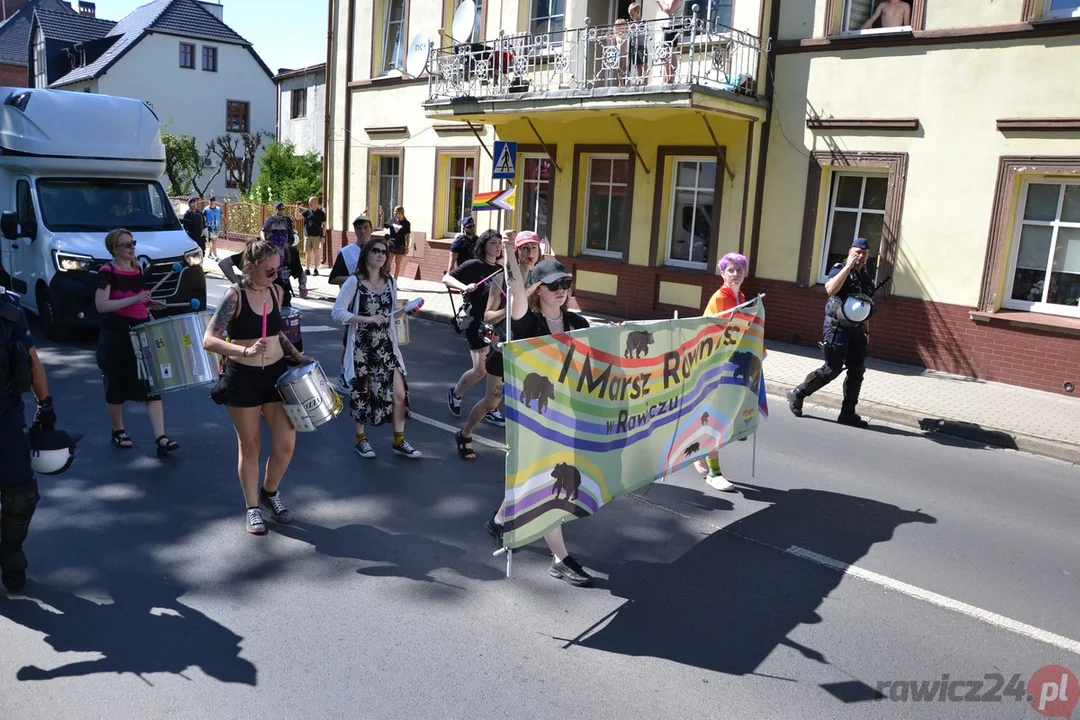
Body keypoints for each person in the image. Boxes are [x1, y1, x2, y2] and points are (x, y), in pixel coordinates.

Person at [486, 246, 594, 587]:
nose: (561, 290)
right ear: (538, 290)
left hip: (567, 414)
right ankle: (561, 558)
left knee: (538, 476)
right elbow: (516, 291)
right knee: (551, 482)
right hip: (534, 415)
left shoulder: (577, 322)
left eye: (565, 283)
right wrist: (509, 250)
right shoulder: (527, 321)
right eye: (552, 285)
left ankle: (501, 519)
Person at [203, 239, 313, 535]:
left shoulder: (277, 292)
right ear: (249, 268)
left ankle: (270, 492)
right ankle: (253, 508)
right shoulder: (234, 296)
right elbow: (209, 339)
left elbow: (278, 334)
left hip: (276, 377)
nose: (275, 276)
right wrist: (243, 352)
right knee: (250, 445)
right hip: (243, 378)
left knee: (286, 443)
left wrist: (296, 354)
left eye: (278, 270)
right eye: (269, 271)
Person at [331, 238, 421, 460]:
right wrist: (366, 319)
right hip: (361, 348)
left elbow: (391, 315)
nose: (381, 255)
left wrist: (405, 312)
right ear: (366, 255)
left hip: (386, 346)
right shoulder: (354, 282)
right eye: (376, 251)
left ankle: (399, 441)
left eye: (384, 252)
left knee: (400, 393)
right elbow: (337, 312)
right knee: (362, 394)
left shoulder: (390, 281)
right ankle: (361, 440)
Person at [454, 231, 542, 460]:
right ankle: (465, 434)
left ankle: (530, 452)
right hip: (504, 348)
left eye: (534, 248)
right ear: (516, 252)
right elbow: (488, 316)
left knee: (532, 401)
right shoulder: (501, 279)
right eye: (525, 248)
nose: (530, 253)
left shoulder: (543, 279)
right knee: (492, 401)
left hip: (532, 350)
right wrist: (510, 308)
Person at [94, 228, 178, 455]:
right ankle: (118, 430)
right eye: (126, 245)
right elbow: (102, 305)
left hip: (141, 332)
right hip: (116, 335)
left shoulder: (137, 269)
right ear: (114, 249)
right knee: (115, 385)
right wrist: (135, 299)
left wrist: (152, 303)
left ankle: (161, 437)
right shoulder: (106, 272)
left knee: (152, 384)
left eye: (133, 243)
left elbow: (141, 299)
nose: (132, 248)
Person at [0, 287, 56, 591]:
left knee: (21, 495)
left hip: (6, 415)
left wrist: (45, 404)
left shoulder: (6, 306)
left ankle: (10, 552)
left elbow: (31, 358)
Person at [787, 238, 875, 428]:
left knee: (857, 369)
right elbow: (830, 289)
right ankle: (798, 393)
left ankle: (848, 412)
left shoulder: (866, 277)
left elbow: (865, 306)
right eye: (857, 252)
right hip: (838, 327)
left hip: (857, 329)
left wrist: (867, 331)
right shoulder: (839, 268)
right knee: (832, 368)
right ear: (850, 251)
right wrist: (848, 267)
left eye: (864, 253)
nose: (860, 255)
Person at [695, 253, 750, 493]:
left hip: (734, 365)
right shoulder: (719, 298)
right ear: (722, 273)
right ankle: (714, 473)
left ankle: (698, 452)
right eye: (730, 269)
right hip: (715, 365)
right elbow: (709, 330)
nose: (735, 273)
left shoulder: (743, 297)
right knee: (715, 418)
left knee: (724, 417)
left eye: (739, 269)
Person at [442, 230, 505, 423]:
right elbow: (447, 278)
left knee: (497, 368)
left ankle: (492, 405)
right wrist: (464, 286)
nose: (498, 246)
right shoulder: (475, 264)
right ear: (484, 245)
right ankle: (456, 392)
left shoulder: (501, 271)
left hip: (495, 324)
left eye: (500, 243)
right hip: (476, 322)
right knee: (480, 370)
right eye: (493, 242)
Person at [329, 215, 372, 287]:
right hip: (351, 295)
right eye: (359, 228)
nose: (362, 231)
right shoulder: (345, 252)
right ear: (355, 231)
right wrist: (356, 279)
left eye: (365, 227)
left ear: (371, 229)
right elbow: (333, 279)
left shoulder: (379, 250)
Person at [656, 0, 683, 83]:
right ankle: (667, 79)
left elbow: (669, 10)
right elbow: (663, 10)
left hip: (673, 26)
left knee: (670, 53)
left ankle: (671, 79)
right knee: (666, 54)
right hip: (667, 26)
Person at [384, 205, 412, 280]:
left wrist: (407, 247)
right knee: (388, 263)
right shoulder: (392, 220)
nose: (394, 213)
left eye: (395, 211)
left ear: (400, 213)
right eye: (394, 211)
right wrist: (382, 216)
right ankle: (386, 279)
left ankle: (395, 281)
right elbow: (384, 225)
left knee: (398, 264)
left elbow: (408, 236)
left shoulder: (407, 223)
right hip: (391, 245)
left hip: (401, 246)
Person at [301, 196, 326, 277]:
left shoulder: (321, 213)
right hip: (307, 236)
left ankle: (316, 269)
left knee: (316, 253)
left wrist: (323, 236)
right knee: (307, 253)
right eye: (309, 202)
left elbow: (324, 225)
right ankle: (307, 269)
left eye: (311, 202)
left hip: (317, 236)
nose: (309, 204)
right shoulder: (307, 212)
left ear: (316, 203)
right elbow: (297, 217)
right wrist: (297, 207)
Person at [203, 196, 222, 261]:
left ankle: (210, 254)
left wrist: (226, 222)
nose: (211, 202)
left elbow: (221, 216)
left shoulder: (218, 209)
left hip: (217, 227)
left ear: (215, 201)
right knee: (214, 241)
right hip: (210, 228)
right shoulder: (206, 209)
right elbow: (203, 217)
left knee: (213, 241)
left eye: (213, 201)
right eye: (210, 201)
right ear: (209, 201)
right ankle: (215, 255)